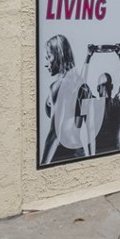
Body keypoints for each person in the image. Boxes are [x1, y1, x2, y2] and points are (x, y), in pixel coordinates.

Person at [41, 34, 84, 165]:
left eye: (49, 57)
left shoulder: (58, 87)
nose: (46, 63)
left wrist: (43, 165)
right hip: (78, 151)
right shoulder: (80, 83)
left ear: (59, 56)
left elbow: (55, 133)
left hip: (61, 154)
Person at [87, 45, 120, 154]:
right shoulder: (117, 103)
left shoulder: (93, 104)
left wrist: (88, 56)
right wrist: (119, 54)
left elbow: (82, 84)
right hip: (114, 152)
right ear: (112, 87)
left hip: (97, 155)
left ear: (97, 88)